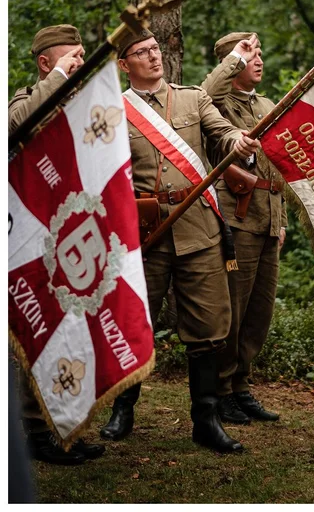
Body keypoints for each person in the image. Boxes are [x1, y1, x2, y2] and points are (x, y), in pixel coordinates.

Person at [100, 27, 260, 454]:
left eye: (155, 49)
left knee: (208, 330)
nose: (154, 57)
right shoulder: (113, 110)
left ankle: (205, 420)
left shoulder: (193, 98)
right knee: (134, 323)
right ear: (124, 63)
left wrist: (238, 144)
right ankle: (123, 408)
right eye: (142, 52)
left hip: (199, 231)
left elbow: (222, 134)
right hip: (142, 235)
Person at [8, 24, 106, 465]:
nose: (79, 65)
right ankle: (35, 428)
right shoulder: (27, 99)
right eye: (71, 59)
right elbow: (14, 127)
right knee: (39, 335)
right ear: (46, 64)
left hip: (80, 239)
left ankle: (67, 425)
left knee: (74, 336)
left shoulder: (89, 106)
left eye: (82, 58)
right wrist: (57, 81)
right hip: (35, 242)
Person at [202, 32, 286, 425]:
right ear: (232, 62)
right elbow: (208, 89)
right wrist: (234, 58)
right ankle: (220, 391)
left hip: (268, 217)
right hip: (237, 217)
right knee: (232, 310)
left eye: (260, 53)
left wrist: (281, 221)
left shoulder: (267, 104)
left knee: (258, 311)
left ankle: (241, 386)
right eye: (250, 55)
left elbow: (280, 167)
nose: (259, 60)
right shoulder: (216, 102)